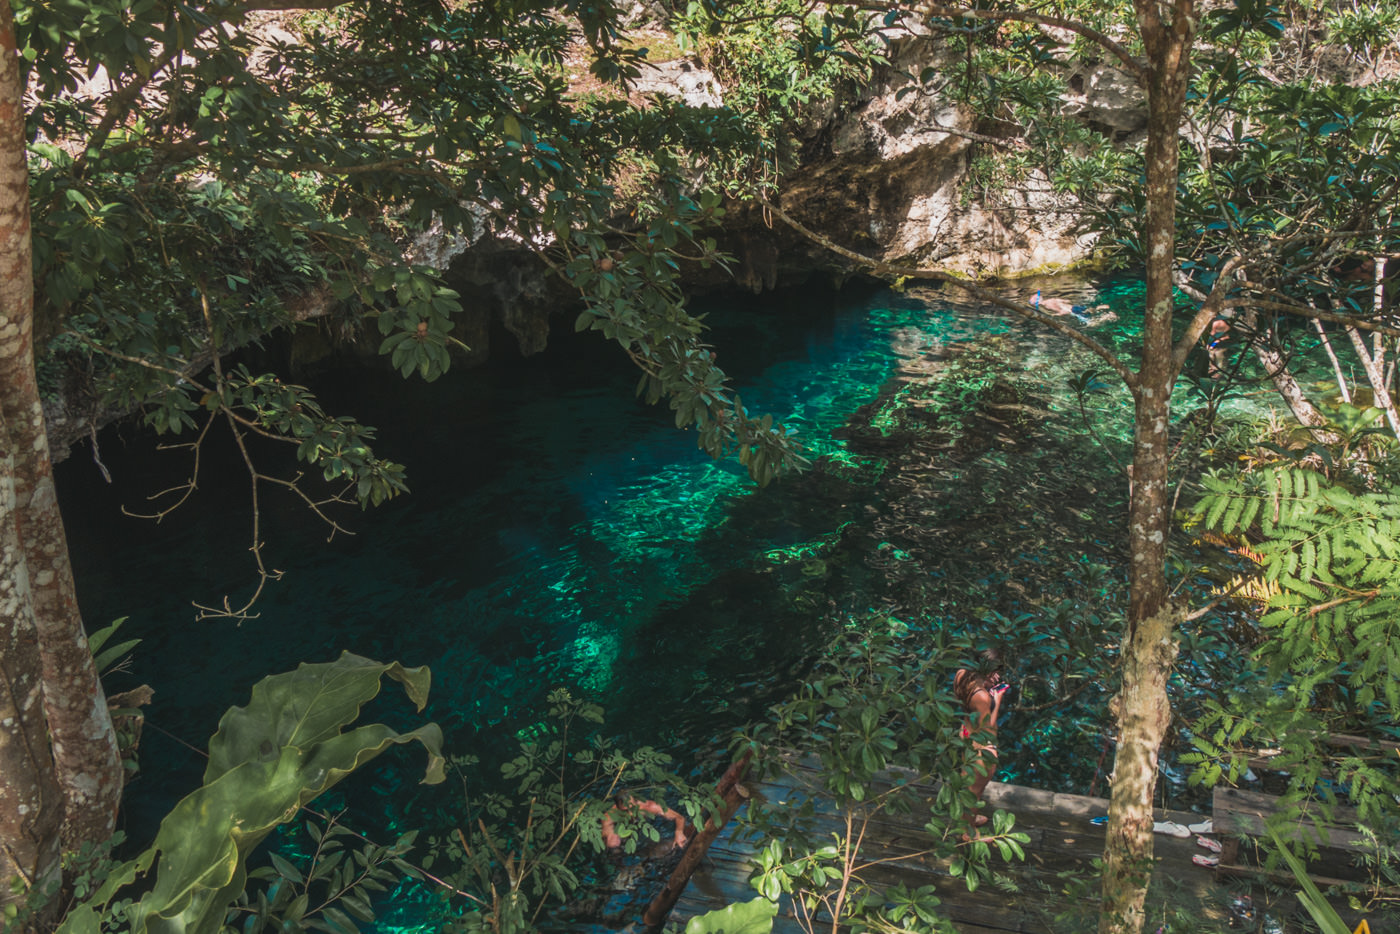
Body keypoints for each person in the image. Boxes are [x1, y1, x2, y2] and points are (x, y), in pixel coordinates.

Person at [953, 648, 1007, 842]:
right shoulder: (983, 697)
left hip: (966, 732)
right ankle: (968, 832)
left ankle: (966, 818)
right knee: (974, 790)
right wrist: (997, 701)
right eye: (994, 672)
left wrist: (985, 685)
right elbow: (989, 728)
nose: (998, 676)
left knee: (967, 782)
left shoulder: (962, 675)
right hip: (980, 743)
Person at [601, 794, 690, 852]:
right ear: (617, 808)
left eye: (632, 808)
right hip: (627, 832)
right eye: (625, 811)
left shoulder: (650, 807)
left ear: (636, 802)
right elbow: (606, 834)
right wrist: (611, 838)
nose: (630, 813)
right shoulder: (610, 816)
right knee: (613, 847)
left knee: (668, 847)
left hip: (650, 826)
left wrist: (678, 832)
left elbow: (679, 817)